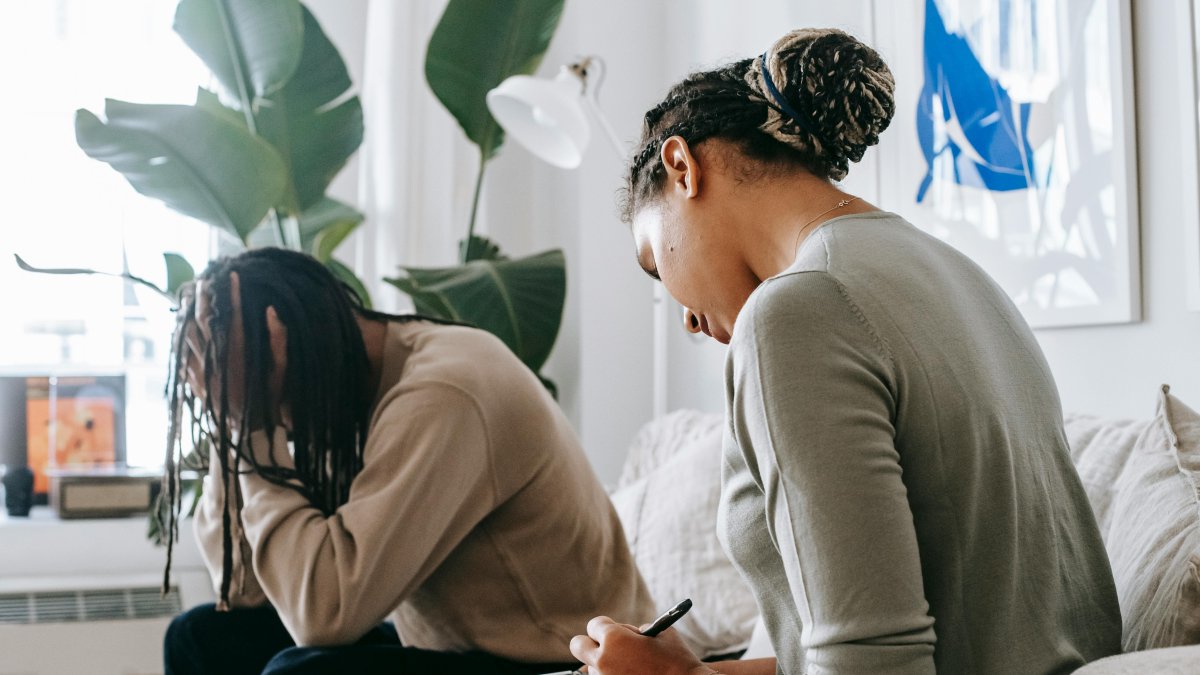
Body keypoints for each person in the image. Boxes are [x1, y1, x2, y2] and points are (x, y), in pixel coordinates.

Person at [570, 28, 1122, 675]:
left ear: (682, 168)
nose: (687, 318)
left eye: (653, 264)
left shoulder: (797, 311)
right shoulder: (963, 276)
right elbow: (884, 637)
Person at [160, 247, 653, 675]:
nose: (282, 421)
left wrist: (254, 423)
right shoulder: (338, 393)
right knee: (198, 638)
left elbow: (322, 617)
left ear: (295, 344)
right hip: (457, 650)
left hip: (570, 662)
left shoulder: (443, 392)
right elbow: (242, 591)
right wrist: (234, 427)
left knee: (305, 674)